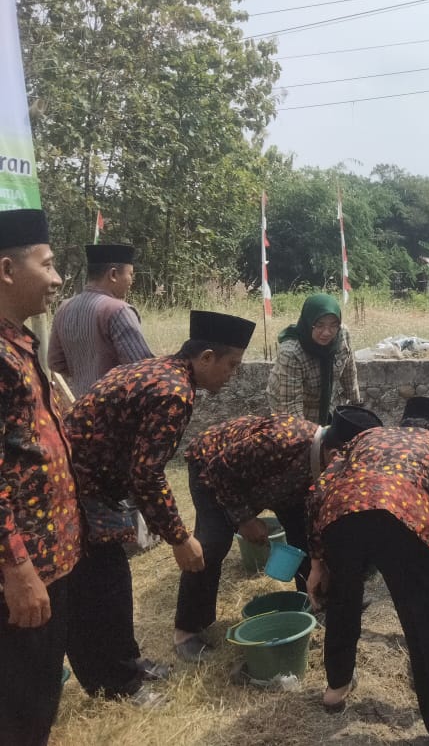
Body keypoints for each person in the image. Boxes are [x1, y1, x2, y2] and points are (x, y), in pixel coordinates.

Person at [64, 310, 255, 703]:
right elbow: (145, 474)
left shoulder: (157, 370)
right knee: (98, 588)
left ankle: (127, 663)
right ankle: (116, 685)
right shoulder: (174, 392)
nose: (232, 374)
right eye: (231, 365)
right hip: (76, 489)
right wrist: (180, 538)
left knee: (112, 583)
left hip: (89, 483)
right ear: (205, 358)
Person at [307, 397, 429, 744]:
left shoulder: (366, 438)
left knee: (344, 601)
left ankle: (336, 688)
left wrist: (317, 563)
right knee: (428, 622)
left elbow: (318, 489)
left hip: (340, 514)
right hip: (401, 516)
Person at [172, 406, 370, 661]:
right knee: (212, 544)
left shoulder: (318, 460)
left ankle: (313, 603)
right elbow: (218, 470)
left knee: (304, 538)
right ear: (334, 455)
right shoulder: (283, 441)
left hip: (272, 480)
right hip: (211, 467)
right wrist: (245, 518)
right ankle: (187, 630)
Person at [0, 209, 80, 745]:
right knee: (22, 709)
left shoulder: (19, 342)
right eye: (47, 265)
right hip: (23, 567)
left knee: (38, 693)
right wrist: (17, 568)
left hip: (49, 559)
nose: (56, 279)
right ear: (7, 270)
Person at [48, 242, 152, 398]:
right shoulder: (119, 310)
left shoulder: (63, 308)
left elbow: (55, 362)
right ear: (113, 275)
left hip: (80, 408)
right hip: (114, 412)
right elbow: (142, 369)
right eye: (130, 274)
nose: (132, 281)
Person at [267, 293, 361, 424]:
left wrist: (357, 405)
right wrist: (308, 436)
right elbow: (291, 406)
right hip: (289, 404)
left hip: (327, 403)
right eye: (319, 325)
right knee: (296, 439)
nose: (327, 332)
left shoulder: (342, 336)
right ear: (308, 322)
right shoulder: (291, 352)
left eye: (333, 325)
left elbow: (349, 373)